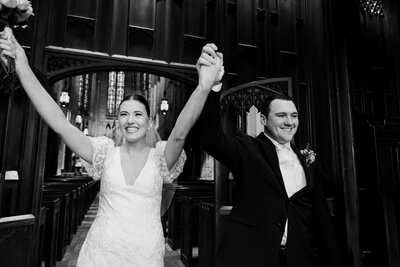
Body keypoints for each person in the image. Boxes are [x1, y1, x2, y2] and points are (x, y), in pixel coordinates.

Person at [0, 32, 223, 266]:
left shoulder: (160, 157)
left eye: (138, 114)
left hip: (144, 254)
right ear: (117, 121)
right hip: (101, 252)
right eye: (124, 114)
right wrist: (23, 66)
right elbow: (59, 123)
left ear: (149, 122)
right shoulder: (104, 153)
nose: (130, 120)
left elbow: (179, 133)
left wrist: (203, 87)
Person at [195, 44, 344, 267]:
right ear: (264, 120)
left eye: (294, 115)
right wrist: (212, 86)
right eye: (282, 115)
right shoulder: (247, 148)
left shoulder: (306, 161)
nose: (289, 121)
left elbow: (320, 218)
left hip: (300, 258)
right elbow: (210, 138)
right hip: (253, 257)